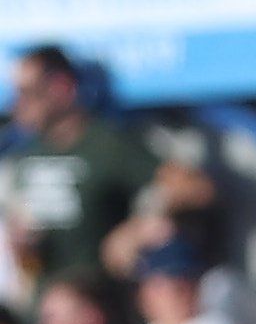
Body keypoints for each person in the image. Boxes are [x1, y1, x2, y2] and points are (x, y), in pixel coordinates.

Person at [1, 44, 213, 292]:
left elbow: (196, 188)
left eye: (28, 92)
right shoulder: (26, 152)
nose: (18, 105)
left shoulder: (107, 143)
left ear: (62, 87)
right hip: (45, 311)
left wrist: (139, 228)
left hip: (100, 304)